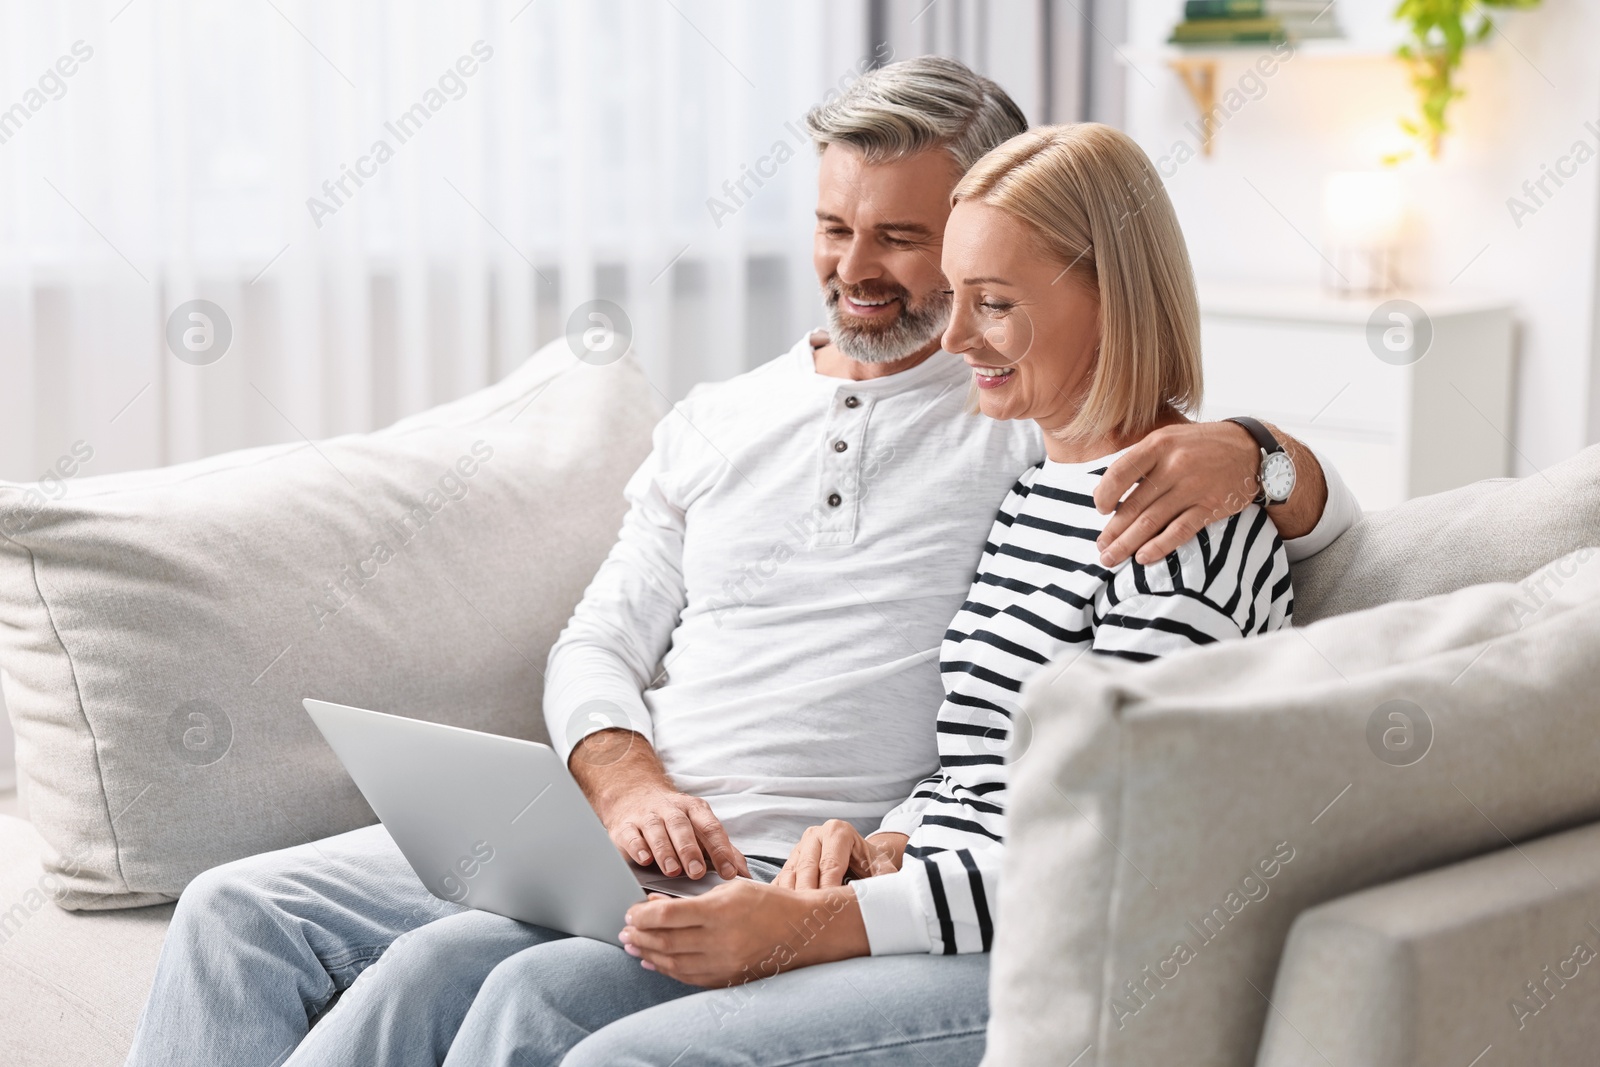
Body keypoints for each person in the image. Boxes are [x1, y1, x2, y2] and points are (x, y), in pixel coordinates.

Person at [124, 58, 1354, 1067]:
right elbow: (602, 638)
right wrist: (624, 778)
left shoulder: (1014, 433)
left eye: (912, 243)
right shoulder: (742, 416)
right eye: (831, 226)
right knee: (237, 912)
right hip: (630, 824)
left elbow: (1131, 753)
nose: (856, 268)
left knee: (493, 984)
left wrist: (1256, 451)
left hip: (806, 861)